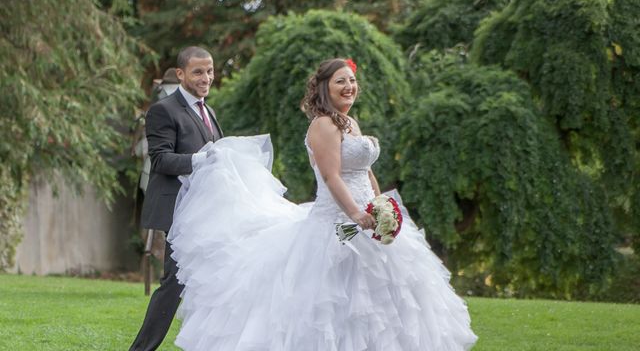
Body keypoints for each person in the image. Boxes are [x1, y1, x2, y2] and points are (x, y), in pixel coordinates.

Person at [168, 58, 478, 350]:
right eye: (341, 81)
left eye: (352, 80)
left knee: (384, 295)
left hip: (367, 218)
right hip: (337, 223)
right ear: (325, 87)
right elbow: (331, 177)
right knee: (335, 288)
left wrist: (379, 203)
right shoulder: (323, 125)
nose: (349, 86)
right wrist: (355, 213)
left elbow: (365, 171)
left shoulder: (349, 122)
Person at [129, 47, 223, 351]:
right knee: (174, 283)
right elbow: (160, 159)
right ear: (180, 74)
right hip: (179, 210)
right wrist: (199, 159)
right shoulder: (163, 110)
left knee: (212, 279)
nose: (206, 77)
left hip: (208, 209)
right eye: (198, 71)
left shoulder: (208, 110)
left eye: (209, 71)